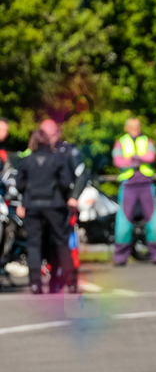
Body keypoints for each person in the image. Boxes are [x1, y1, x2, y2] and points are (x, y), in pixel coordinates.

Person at [15, 128, 73, 294]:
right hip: (54, 206)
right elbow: (65, 182)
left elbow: (20, 184)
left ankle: (35, 283)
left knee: (34, 244)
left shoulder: (26, 161)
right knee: (61, 242)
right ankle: (70, 278)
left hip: (32, 206)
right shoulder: (58, 159)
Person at [39, 119, 88, 292]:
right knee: (46, 242)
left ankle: (71, 276)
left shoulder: (68, 150)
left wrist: (74, 197)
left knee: (68, 242)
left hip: (64, 204)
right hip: (43, 204)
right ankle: (54, 277)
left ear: (58, 133)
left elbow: (82, 174)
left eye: (51, 134)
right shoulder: (37, 152)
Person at [112, 117, 156, 265]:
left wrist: (132, 158)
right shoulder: (120, 142)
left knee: (153, 219)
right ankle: (120, 257)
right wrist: (138, 159)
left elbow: (151, 157)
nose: (135, 128)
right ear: (126, 128)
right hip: (128, 184)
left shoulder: (147, 140)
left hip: (146, 184)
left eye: (137, 126)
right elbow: (118, 161)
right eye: (132, 126)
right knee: (123, 221)